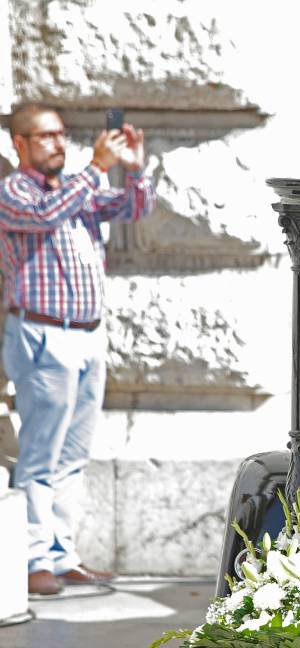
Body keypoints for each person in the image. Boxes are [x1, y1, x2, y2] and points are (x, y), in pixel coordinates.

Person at [0, 103, 155, 595]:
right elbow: (47, 215)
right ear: (19, 144)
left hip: (88, 334)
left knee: (73, 455)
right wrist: (97, 167)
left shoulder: (77, 190)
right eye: (45, 137)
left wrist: (133, 169)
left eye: (61, 134)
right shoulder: (13, 192)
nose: (57, 144)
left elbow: (133, 208)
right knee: (40, 455)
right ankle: (31, 561)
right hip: (43, 335)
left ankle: (63, 555)